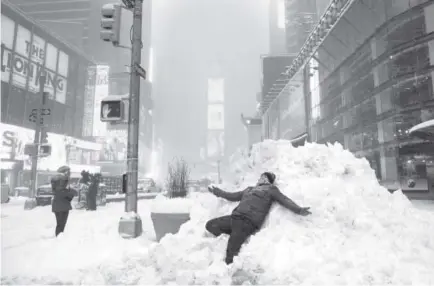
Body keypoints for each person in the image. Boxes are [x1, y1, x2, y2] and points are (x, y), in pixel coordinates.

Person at [205, 172, 311, 265]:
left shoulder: (271, 190)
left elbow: (284, 200)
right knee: (210, 225)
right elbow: (232, 196)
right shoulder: (249, 189)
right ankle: (233, 236)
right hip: (234, 218)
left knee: (230, 254)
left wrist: (299, 210)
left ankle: (230, 273)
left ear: (269, 181)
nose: (260, 179)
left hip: (247, 221)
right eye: (260, 177)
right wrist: (217, 192)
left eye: (264, 177)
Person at [51, 173, 77, 237]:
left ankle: (58, 236)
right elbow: (75, 193)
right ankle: (59, 236)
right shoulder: (65, 191)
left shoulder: (55, 191)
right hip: (64, 209)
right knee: (62, 224)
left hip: (56, 209)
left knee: (59, 223)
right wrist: (69, 188)